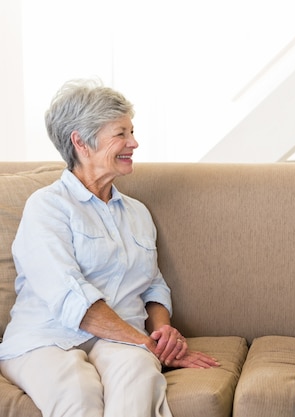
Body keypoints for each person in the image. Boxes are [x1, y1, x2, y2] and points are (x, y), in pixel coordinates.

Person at [0, 80, 219, 417]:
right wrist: (146, 342)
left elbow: (153, 286)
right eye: (121, 133)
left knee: (140, 378)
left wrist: (162, 332)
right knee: (78, 391)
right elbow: (70, 297)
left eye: (131, 131)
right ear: (80, 141)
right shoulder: (47, 207)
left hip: (121, 340)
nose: (134, 142)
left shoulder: (136, 212)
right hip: (46, 339)